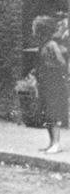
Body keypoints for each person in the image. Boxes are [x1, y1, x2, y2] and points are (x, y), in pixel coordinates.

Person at [33, 15, 68, 154]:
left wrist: (52, 70)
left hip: (53, 82)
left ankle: (57, 143)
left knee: (53, 113)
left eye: (35, 28)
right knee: (46, 114)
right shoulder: (42, 45)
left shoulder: (52, 45)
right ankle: (51, 142)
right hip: (44, 82)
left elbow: (62, 62)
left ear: (42, 30)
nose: (33, 31)